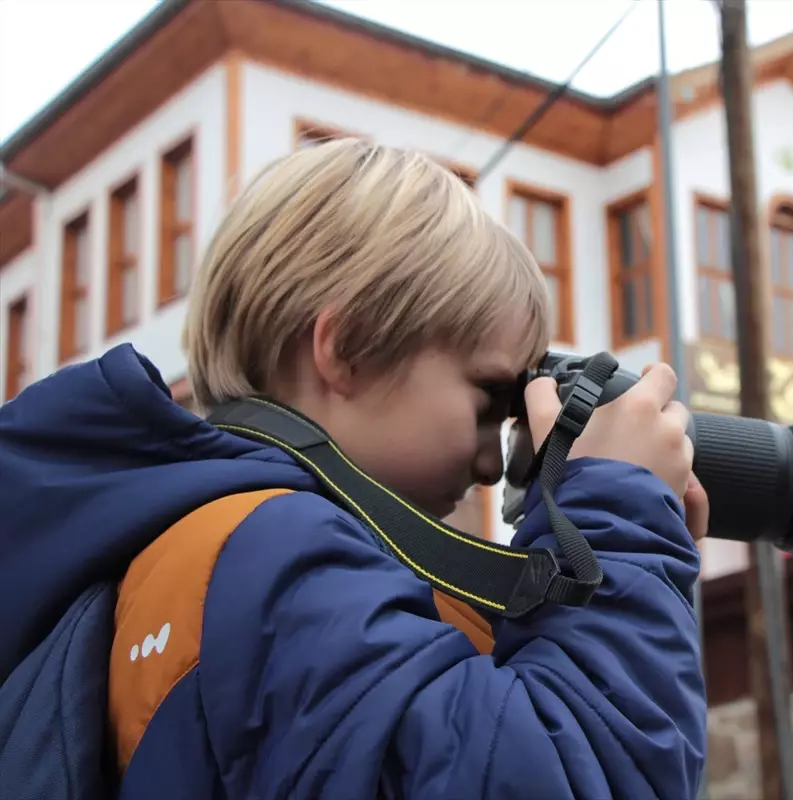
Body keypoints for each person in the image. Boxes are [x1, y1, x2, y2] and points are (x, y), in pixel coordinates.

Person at [0, 141, 709, 798]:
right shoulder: (271, 555)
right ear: (349, 350)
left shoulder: (213, 553)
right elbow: (571, 776)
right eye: (488, 398)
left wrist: (615, 557)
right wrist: (620, 523)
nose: (492, 463)